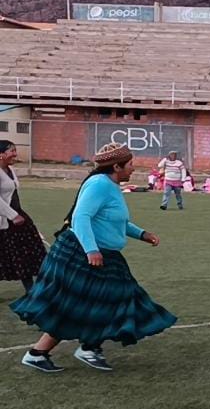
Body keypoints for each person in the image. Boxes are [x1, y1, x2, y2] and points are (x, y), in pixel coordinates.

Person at [11, 143, 176, 373]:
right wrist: (91, 250)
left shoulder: (110, 185)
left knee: (97, 302)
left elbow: (114, 220)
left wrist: (142, 234)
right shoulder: (99, 184)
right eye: (130, 165)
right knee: (83, 304)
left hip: (103, 254)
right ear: (116, 166)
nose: (133, 169)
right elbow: (81, 217)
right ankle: (59, 352)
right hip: (82, 254)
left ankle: (65, 350)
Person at [0, 140, 47, 293]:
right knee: (8, 255)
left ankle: (32, 289)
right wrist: (12, 215)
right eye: (11, 151)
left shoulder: (10, 170)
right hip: (6, 220)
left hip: (18, 216)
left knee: (26, 252)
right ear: (1, 155)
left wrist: (17, 214)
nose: (15, 154)